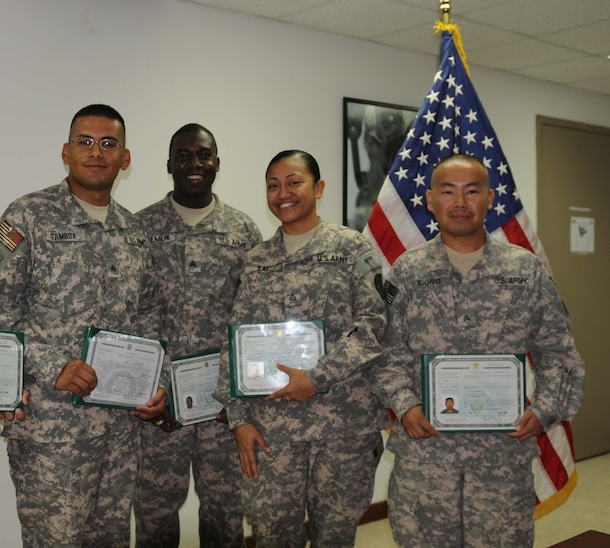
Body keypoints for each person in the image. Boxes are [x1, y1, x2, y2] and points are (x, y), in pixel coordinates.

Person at [0, 104, 167, 547]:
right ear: (66, 152)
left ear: (126, 157)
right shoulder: (26, 217)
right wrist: (51, 364)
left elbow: (150, 317)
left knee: (112, 539)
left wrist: (158, 379)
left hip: (120, 430)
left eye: (108, 143)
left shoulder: (134, 233)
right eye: (85, 142)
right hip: (52, 428)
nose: (96, 152)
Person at [372, 153, 585, 547]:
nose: (460, 202)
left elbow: (560, 353)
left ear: (490, 199)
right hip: (426, 459)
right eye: (448, 191)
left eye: (472, 191)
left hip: (501, 458)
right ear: (429, 200)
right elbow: (386, 355)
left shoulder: (526, 270)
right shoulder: (407, 271)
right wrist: (405, 404)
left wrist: (544, 410)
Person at [215, 150, 388, 547]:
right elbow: (235, 339)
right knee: (272, 534)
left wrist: (317, 377)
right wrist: (238, 418)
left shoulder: (351, 249)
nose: (283, 193)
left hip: (342, 426)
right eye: (273, 185)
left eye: (294, 182)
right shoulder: (255, 260)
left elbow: (373, 327)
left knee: (335, 536)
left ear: (318, 187)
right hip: (271, 428)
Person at [133, 123, 262, 547]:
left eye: (203, 156)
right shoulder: (137, 229)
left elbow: (252, 322)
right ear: (169, 164)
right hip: (158, 407)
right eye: (184, 155)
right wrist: (152, 387)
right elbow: (125, 315)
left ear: (216, 164)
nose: (194, 164)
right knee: (154, 518)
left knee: (226, 517)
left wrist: (238, 396)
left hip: (221, 408)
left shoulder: (243, 232)